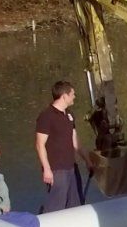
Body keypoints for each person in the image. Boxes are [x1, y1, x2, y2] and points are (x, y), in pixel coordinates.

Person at [35, 81, 88, 213]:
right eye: (72, 94)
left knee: (75, 204)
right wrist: (47, 169)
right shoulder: (46, 116)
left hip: (71, 168)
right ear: (64, 96)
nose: (74, 97)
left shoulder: (69, 115)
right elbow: (39, 144)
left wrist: (88, 160)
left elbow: (76, 141)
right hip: (56, 170)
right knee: (56, 206)